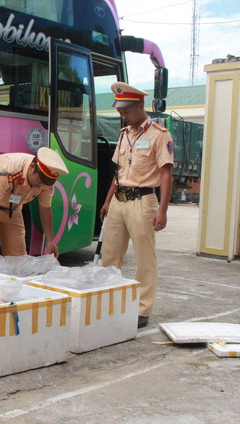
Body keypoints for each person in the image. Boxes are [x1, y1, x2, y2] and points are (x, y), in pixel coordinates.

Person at [99, 82, 174, 329]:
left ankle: (142, 309)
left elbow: (165, 174)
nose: (123, 116)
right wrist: (108, 201)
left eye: (127, 111)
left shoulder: (159, 135)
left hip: (143, 202)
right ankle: (109, 302)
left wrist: (162, 209)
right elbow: (118, 172)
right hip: (119, 201)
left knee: (144, 259)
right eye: (120, 112)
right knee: (109, 256)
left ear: (140, 106)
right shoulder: (124, 135)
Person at [0, 147, 69, 275]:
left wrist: (50, 241)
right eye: (39, 181)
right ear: (32, 167)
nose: (40, 186)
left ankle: (14, 291)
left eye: (44, 184)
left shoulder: (45, 181)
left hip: (13, 208)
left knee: (18, 258)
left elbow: (45, 209)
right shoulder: (6, 171)